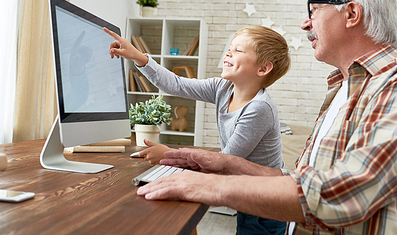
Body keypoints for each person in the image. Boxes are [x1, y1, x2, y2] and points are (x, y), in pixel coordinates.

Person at [136, 0, 397, 234]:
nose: (305, 23)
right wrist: (225, 162)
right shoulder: (343, 90)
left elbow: (345, 192)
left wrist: (208, 185)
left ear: (351, 13)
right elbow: (303, 181)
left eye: (314, 10)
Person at [104, 25, 291, 235]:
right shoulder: (222, 88)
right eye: (230, 48)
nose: (228, 53)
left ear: (263, 69)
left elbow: (226, 161)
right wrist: (137, 56)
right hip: (247, 186)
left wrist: (168, 154)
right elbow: (176, 84)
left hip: (267, 197)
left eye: (238, 50)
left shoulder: (259, 108)